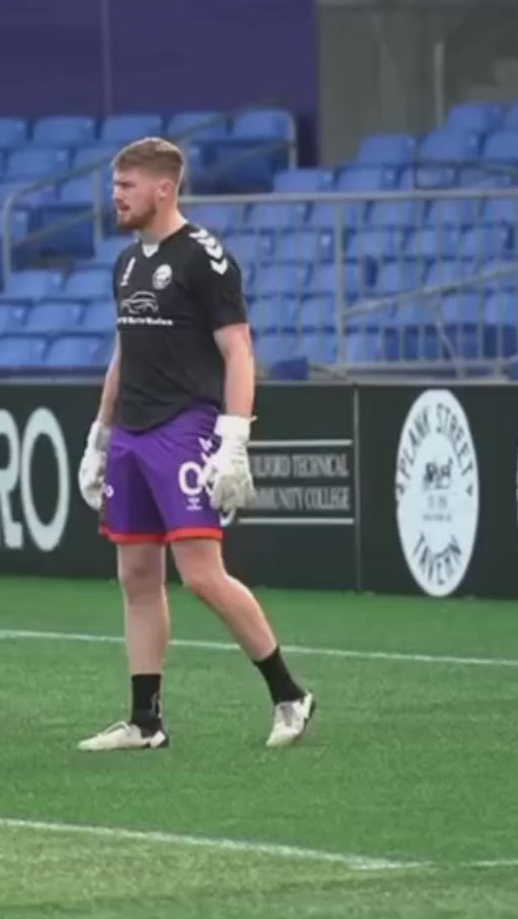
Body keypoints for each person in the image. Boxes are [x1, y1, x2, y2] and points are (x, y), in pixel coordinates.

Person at [76, 136, 315, 752]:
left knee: (203, 576)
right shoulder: (126, 262)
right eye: (115, 186)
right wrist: (101, 434)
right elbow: (125, 350)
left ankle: (290, 694)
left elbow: (238, 349)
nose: (115, 197)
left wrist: (233, 439)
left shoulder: (205, 258)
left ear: (163, 188)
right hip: (131, 431)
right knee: (136, 575)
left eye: (126, 186)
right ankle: (145, 721)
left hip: (184, 425)